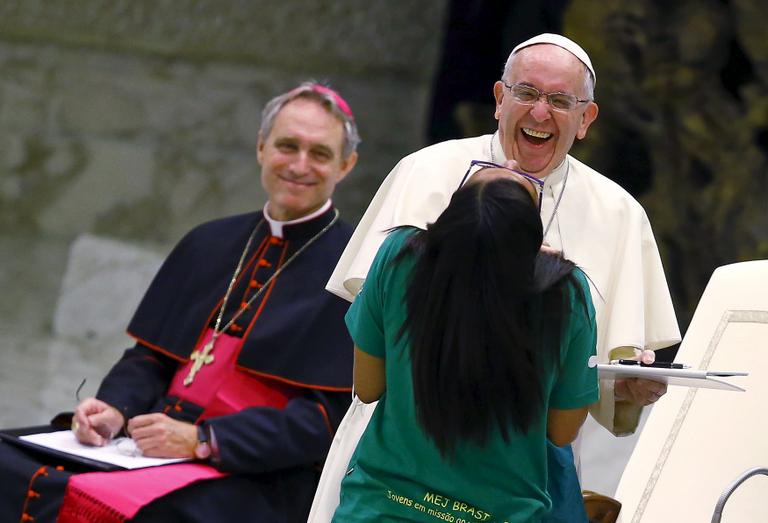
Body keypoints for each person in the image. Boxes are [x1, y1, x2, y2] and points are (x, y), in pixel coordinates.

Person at [311, 33, 680, 522]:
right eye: (526, 93)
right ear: (499, 98)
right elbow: (381, 349)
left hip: (515, 479)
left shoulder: (619, 215)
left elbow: (585, 379)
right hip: (400, 466)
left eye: (560, 101)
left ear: (586, 119)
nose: (540, 113)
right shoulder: (424, 172)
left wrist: (623, 388)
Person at [0, 81, 360, 523]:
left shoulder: (356, 271)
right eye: (288, 145)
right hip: (148, 445)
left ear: (346, 165)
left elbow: (326, 420)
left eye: (320, 153)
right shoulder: (209, 241)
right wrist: (115, 408)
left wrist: (203, 439)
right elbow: (150, 356)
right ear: (262, 147)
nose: (300, 165)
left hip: (258, 471)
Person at [332, 168, 599, 522]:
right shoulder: (566, 293)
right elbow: (562, 430)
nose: (510, 164)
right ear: (531, 241)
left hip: (381, 506)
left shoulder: (399, 257)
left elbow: (367, 388)